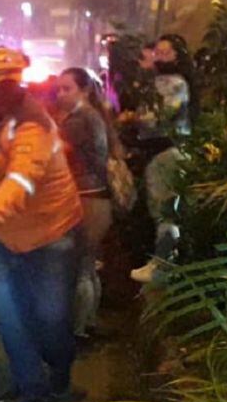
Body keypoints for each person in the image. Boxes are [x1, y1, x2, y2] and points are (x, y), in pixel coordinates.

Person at [0, 47, 84, 402]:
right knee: (10, 315)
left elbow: (21, 182)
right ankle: (31, 390)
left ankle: (58, 372)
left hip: (51, 234)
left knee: (51, 318)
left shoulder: (34, 126)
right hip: (4, 235)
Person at [129, 34, 194, 282]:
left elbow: (161, 116)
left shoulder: (174, 83)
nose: (159, 58)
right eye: (157, 52)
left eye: (165, 53)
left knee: (165, 211)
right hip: (158, 150)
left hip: (166, 149)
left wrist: (134, 118)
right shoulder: (159, 82)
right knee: (160, 208)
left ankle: (163, 264)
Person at [56, 68, 114, 339]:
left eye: (67, 89)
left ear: (84, 90)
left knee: (79, 266)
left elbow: (55, 155)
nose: (60, 94)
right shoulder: (95, 116)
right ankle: (88, 323)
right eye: (59, 89)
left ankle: (78, 330)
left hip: (85, 197)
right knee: (88, 265)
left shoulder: (79, 121)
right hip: (98, 197)